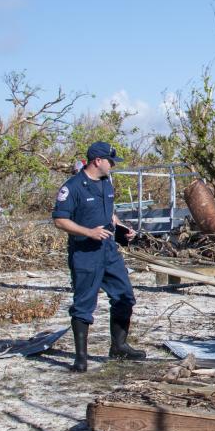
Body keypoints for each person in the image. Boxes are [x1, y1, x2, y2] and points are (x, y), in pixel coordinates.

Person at [52, 141, 146, 372]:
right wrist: (88, 232)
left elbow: (108, 215)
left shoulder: (106, 183)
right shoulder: (73, 187)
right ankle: (81, 360)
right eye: (110, 161)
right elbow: (59, 220)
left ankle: (119, 346)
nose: (112, 165)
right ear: (97, 161)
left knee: (125, 296)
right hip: (85, 253)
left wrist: (123, 228)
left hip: (109, 252)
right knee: (84, 304)